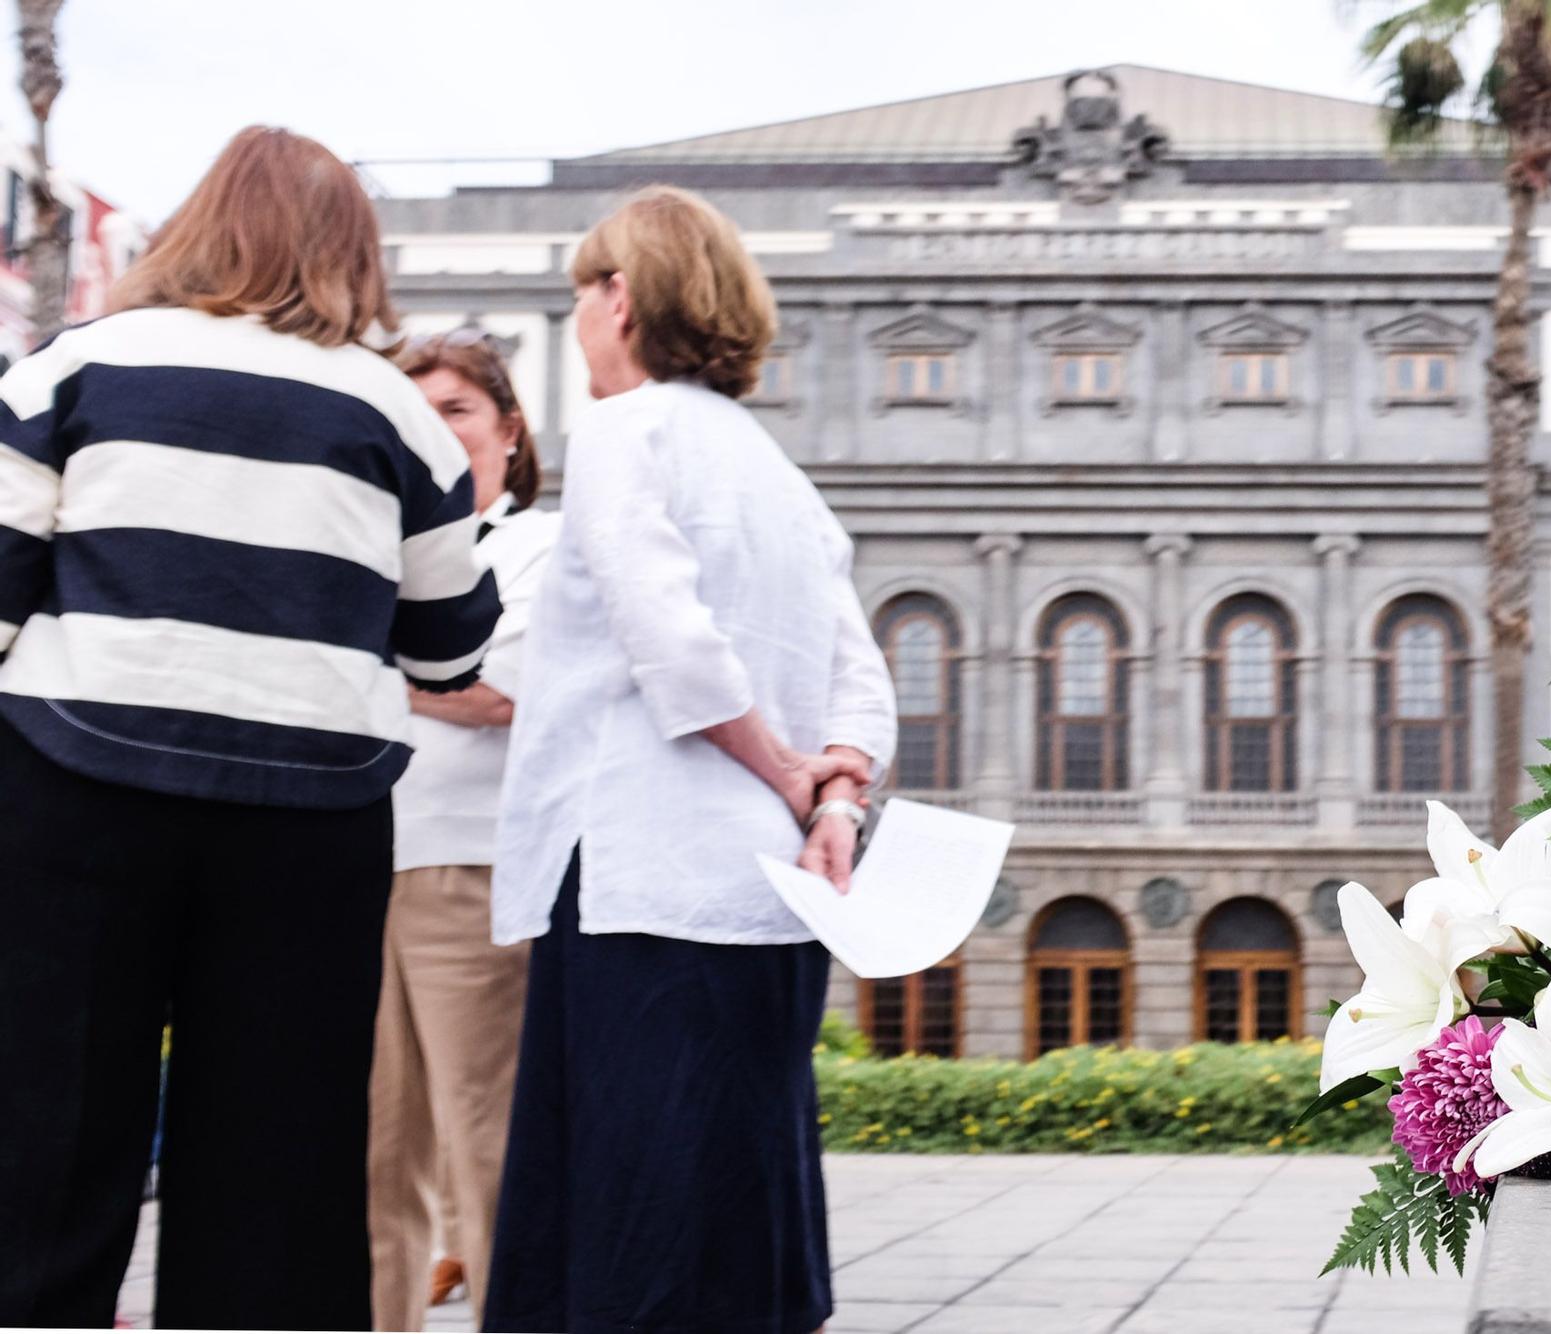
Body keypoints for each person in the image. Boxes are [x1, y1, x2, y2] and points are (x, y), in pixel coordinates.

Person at [0, 127, 501, 1331]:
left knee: (46, 1137)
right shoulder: (401, 415)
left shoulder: (70, 368)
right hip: (307, 811)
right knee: (279, 1163)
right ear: (352, 251)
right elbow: (449, 645)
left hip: (78, 780)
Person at [483, 185, 897, 1334]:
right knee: (740, 1181)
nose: (576, 324)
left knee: (622, 1193)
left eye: (580, 296)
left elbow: (662, 632)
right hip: (773, 889)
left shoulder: (626, 431)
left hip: (636, 870)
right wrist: (833, 797)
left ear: (619, 298)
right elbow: (860, 672)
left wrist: (779, 767)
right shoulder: (779, 471)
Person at [369, 329, 560, 1332]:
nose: (435, 431)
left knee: (482, 1140)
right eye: (415, 411)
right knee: (369, 1153)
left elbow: (495, 690)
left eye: (456, 408)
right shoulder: (369, 540)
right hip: (355, 865)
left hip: (469, 868)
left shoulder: (537, 542)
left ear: (507, 428)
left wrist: (355, 653)